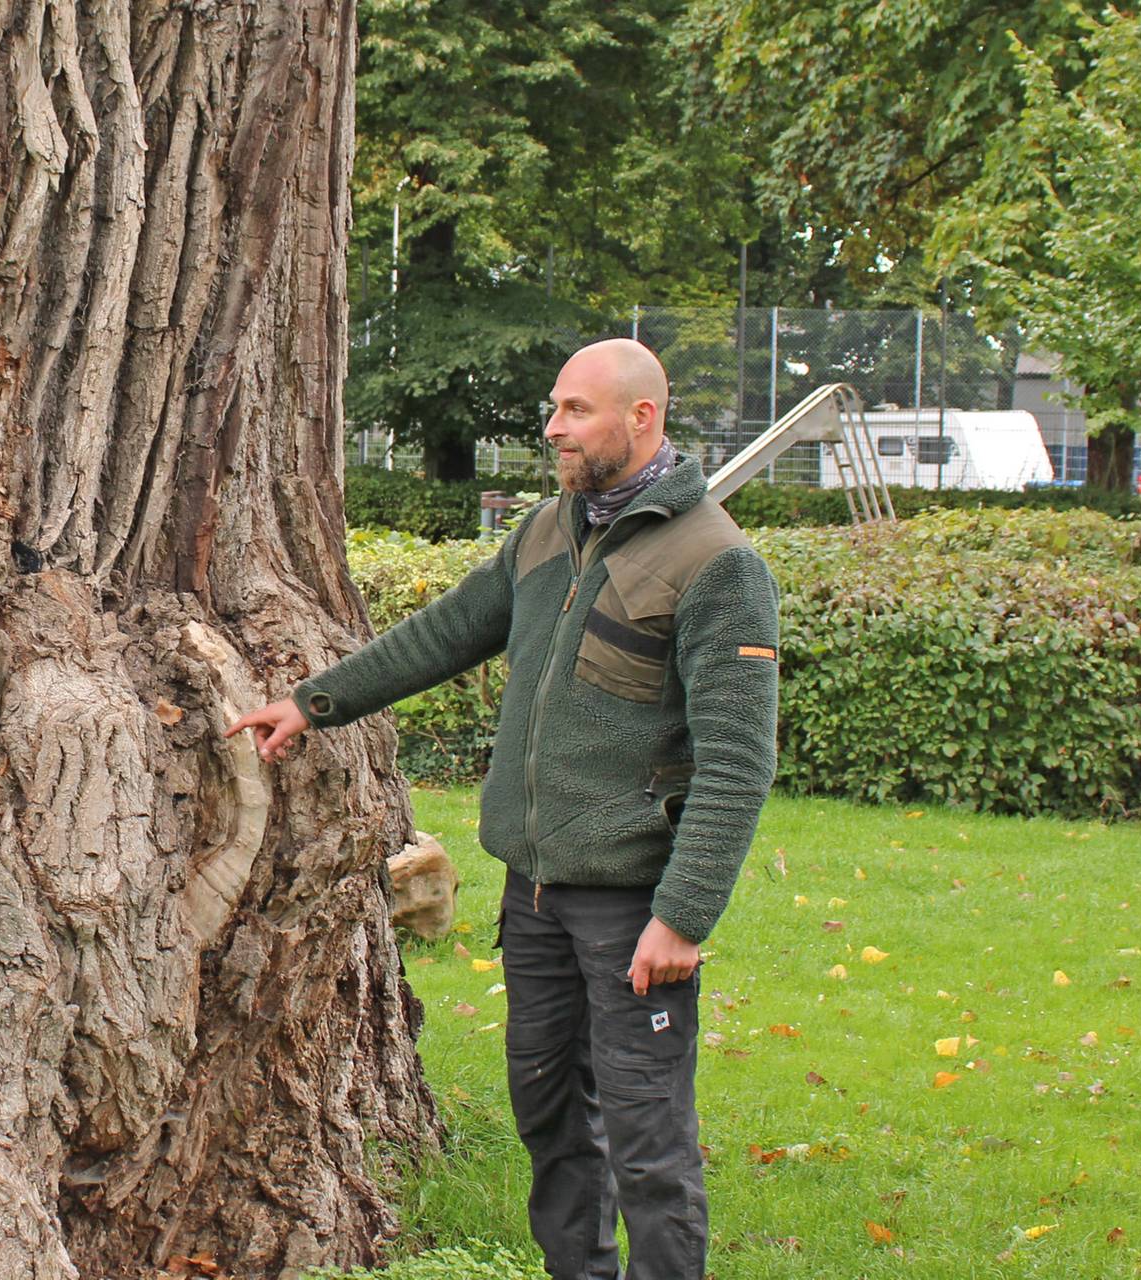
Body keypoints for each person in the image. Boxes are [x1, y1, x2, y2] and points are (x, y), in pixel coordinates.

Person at [228, 339, 780, 1279]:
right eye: (554, 410)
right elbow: (447, 630)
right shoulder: (547, 531)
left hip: (629, 903)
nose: (554, 428)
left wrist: (683, 917)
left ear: (644, 418)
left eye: (577, 411)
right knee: (550, 1114)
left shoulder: (716, 564)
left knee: (648, 1136)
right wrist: (314, 703)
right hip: (534, 896)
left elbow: (738, 761)